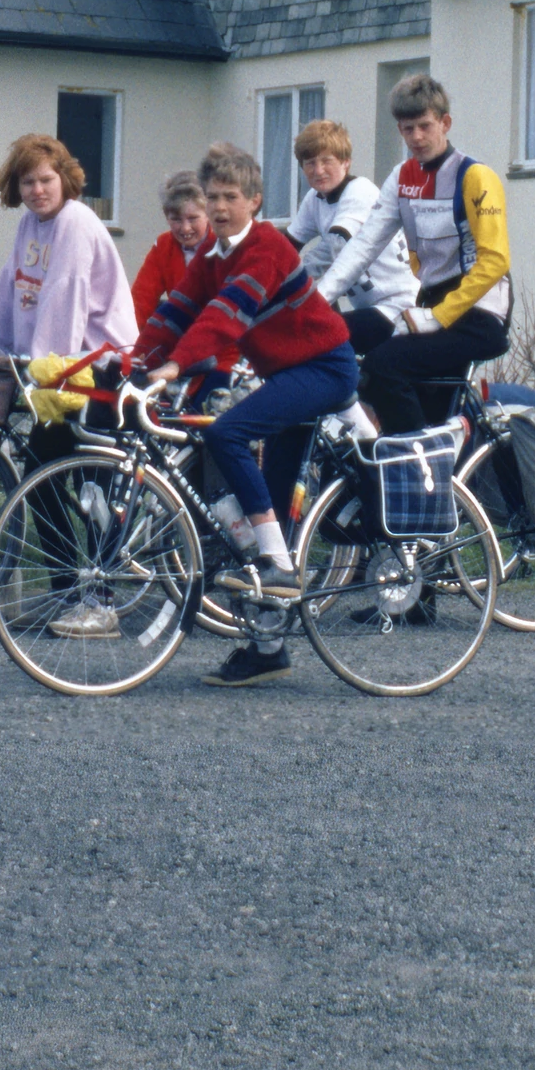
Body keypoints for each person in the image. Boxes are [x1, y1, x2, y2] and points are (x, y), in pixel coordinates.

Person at [133, 142, 360, 690]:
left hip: (325, 368)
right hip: (289, 375)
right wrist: (135, 363)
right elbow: (177, 310)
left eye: (230, 197)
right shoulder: (215, 255)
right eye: (212, 197)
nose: (218, 207)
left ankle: (278, 566)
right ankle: (268, 648)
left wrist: (177, 366)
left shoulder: (266, 248)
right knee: (273, 507)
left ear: (255, 201)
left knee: (227, 435)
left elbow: (226, 314)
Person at [348, 72, 514, 434]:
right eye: (407, 129)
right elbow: (362, 247)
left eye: (424, 126)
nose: (416, 138)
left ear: (445, 123)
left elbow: (496, 259)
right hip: (435, 310)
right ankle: (434, 446)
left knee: (383, 365)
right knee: (361, 358)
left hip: (478, 317)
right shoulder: (406, 178)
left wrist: (437, 316)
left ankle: (417, 466)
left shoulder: (474, 176)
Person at [0, 134, 135, 358]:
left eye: (46, 180)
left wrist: (44, 372)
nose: (37, 190)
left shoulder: (74, 220)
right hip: (52, 357)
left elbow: (64, 297)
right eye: (28, 182)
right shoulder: (29, 222)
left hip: (98, 356)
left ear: (63, 179)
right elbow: (10, 286)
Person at [285, 118, 417, 349]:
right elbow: (286, 247)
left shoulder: (360, 192)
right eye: (310, 163)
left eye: (327, 161)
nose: (318, 170)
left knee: (313, 338)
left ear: (346, 162)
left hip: (400, 306)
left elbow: (335, 249)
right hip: (371, 307)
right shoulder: (314, 199)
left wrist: (291, 289)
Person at [127, 170, 208, 332]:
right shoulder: (163, 246)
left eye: (193, 218)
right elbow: (141, 299)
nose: (185, 228)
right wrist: (129, 339)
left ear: (208, 214)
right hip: (182, 336)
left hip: (225, 341)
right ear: (166, 217)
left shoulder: (224, 245)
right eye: (176, 219)